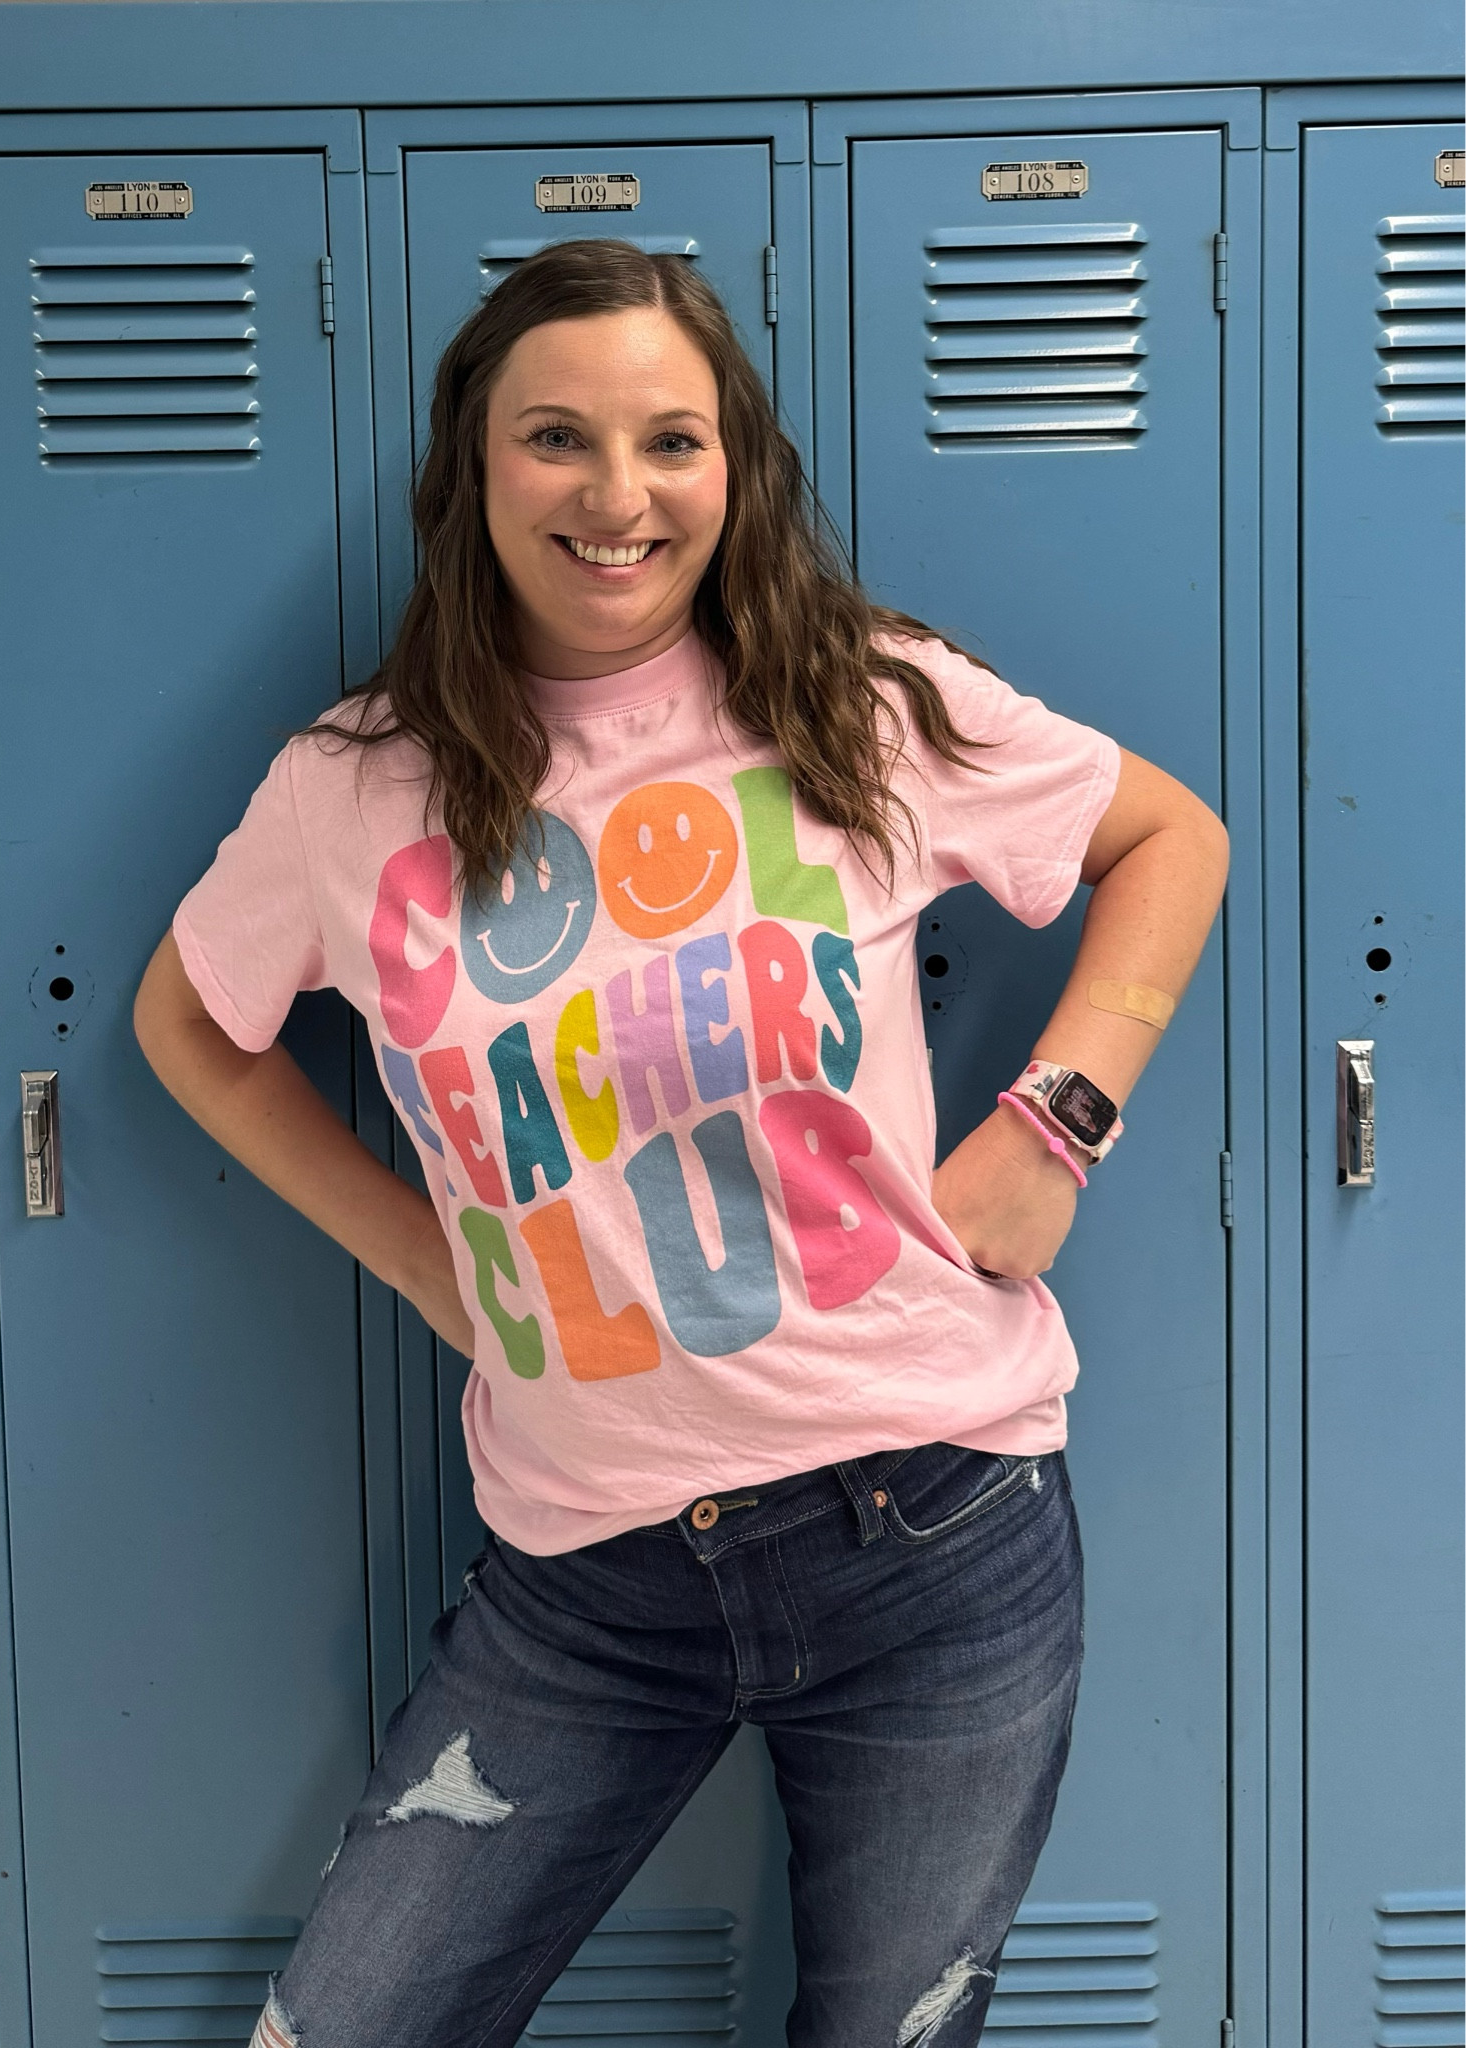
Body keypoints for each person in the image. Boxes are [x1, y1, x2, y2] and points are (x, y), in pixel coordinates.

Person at [133, 238, 1229, 2048]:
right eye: (555, 439)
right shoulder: (352, 786)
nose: (618, 496)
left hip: (934, 1520)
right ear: (472, 475)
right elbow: (191, 1022)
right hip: (583, 1579)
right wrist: (421, 1257)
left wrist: (1057, 1116)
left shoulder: (860, 704)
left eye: (674, 441)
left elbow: (1165, 838)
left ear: (738, 469)